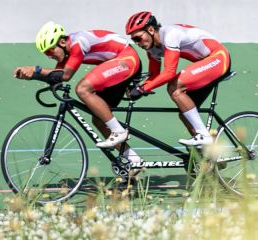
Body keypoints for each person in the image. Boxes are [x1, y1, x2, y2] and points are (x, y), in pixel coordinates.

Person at [13, 21, 142, 166]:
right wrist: (32, 75)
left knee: (82, 89)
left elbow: (66, 75)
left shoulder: (78, 42)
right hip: (116, 65)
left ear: (62, 42)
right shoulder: (66, 50)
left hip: (127, 59)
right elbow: (57, 76)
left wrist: (36, 70)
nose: (49, 56)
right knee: (99, 119)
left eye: (50, 51)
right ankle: (134, 160)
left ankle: (118, 131)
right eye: (46, 54)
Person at [125, 12, 231, 147]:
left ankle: (204, 135)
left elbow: (169, 72)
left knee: (174, 86)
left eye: (138, 38)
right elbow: (154, 76)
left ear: (151, 30)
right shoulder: (152, 48)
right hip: (206, 65)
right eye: (134, 40)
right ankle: (210, 154)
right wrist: (138, 88)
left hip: (218, 58)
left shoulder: (170, 34)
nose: (137, 43)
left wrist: (142, 89)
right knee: (185, 114)